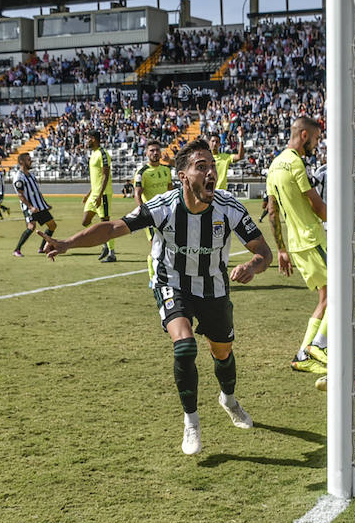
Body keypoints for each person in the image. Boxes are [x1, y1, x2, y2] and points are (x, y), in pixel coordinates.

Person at [42, 138, 272, 455]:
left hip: (213, 287)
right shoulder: (163, 206)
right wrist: (67, 243)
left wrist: (253, 265)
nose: (210, 173)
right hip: (171, 281)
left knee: (222, 353)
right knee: (185, 345)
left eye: (212, 166)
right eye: (200, 166)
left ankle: (229, 399)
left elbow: (264, 252)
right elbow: (111, 228)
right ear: (182, 175)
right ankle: (191, 423)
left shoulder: (229, 207)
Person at [266, 116, 330, 373]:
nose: (317, 143)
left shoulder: (274, 165)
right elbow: (317, 205)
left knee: (326, 298)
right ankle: (318, 346)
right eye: (315, 138)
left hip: (295, 244)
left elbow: (272, 212)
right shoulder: (295, 163)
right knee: (345, 291)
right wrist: (345, 221)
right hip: (312, 238)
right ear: (304, 136)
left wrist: (281, 249)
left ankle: (303, 356)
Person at [134, 138, 174, 279]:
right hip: (151, 214)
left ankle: (166, 274)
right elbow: (137, 193)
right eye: (152, 150)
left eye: (157, 150)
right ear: (146, 153)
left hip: (167, 214)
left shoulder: (166, 170)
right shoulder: (142, 171)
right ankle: (153, 277)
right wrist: (142, 210)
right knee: (155, 247)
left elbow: (171, 191)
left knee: (168, 245)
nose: (155, 153)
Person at [11, 152, 56, 257]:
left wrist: (45, 204)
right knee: (31, 226)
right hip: (29, 207)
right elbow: (20, 195)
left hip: (40, 205)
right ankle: (17, 250)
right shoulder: (19, 177)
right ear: (21, 162)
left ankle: (42, 248)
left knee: (52, 225)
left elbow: (37, 191)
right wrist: (30, 207)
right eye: (28, 160)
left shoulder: (31, 175)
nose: (31, 161)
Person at [82, 130, 116, 262]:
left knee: (105, 223)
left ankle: (111, 252)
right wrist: (89, 194)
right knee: (85, 222)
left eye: (88, 138)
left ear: (94, 139)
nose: (87, 141)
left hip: (103, 194)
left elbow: (105, 175)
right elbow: (97, 177)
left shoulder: (103, 154)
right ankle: (104, 243)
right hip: (94, 194)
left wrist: (100, 195)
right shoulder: (94, 154)